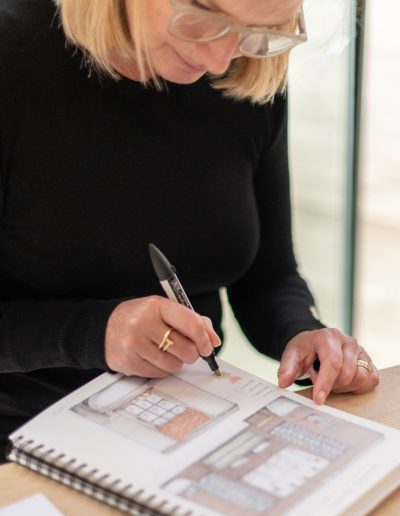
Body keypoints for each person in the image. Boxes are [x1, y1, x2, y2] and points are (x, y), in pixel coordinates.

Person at [0, 0, 379, 463]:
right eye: (207, 20)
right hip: (19, 445)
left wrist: (303, 336)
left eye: (256, 30)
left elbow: (267, 277)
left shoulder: (244, 65)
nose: (220, 60)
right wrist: (95, 332)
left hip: (191, 431)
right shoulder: (13, 56)